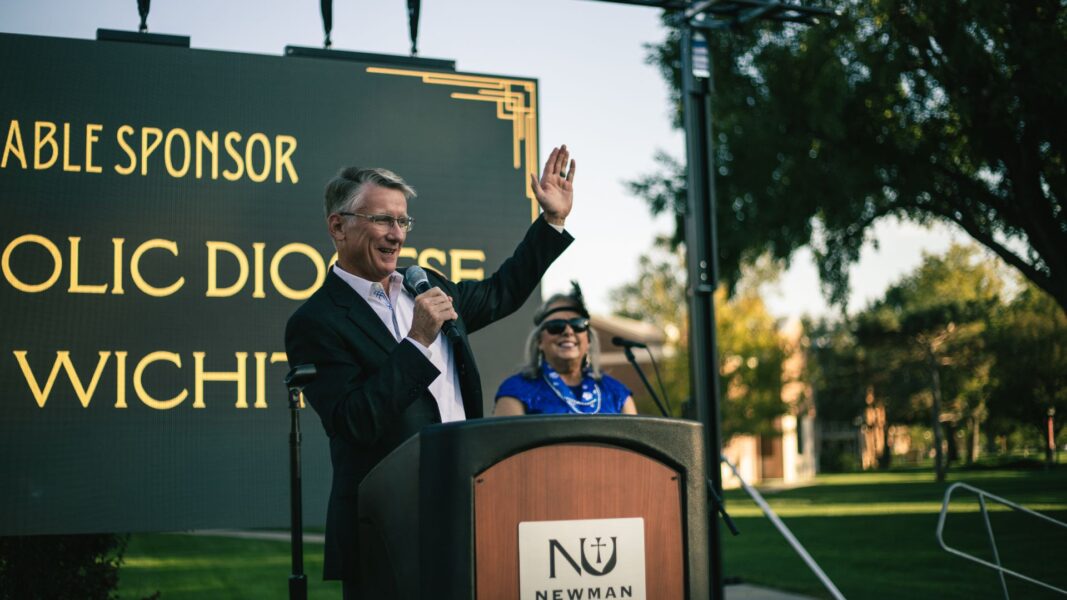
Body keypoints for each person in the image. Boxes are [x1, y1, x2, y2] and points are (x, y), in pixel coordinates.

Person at [284, 146, 576, 597]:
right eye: (382, 219)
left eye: (402, 221)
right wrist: (418, 342)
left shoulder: (427, 285)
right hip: (387, 524)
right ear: (338, 226)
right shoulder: (316, 321)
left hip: (463, 504)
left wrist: (551, 223)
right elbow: (354, 421)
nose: (396, 234)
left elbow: (502, 291)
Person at [493, 282, 638, 416]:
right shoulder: (516, 391)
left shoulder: (617, 394)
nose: (568, 331)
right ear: (539, 341)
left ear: (588, 339)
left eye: (578, 324)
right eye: (556, 326)